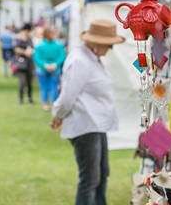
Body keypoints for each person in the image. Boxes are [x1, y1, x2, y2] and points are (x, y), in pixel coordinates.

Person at [50, 19, 125, 205]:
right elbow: (67, 96)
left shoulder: (91, 58)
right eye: (108, 45)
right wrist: (58, 115)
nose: (111, 49)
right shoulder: (79, 61)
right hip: (85, 126)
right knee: (90, 179)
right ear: (96, 42)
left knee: (102, 175)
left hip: (96, 125)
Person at [32, 27, 67, 111]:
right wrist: (56, 64)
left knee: (44, 87)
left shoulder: (40, 45)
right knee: (54, 86)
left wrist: (44, 64)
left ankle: (45, 104)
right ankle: (54, 103)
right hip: (55, 68)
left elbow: (36, 57)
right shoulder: (58, 44)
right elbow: (62, 55)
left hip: (42, 68)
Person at [13, 23, 34, 104]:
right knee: (22, 82)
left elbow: (32, 48)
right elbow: (15, 49)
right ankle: (21, 98)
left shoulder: (29, 40)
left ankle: (29, 97)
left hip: (28, 63)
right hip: (20, 63)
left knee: (29, 82)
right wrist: (24, 52)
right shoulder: (18, 39)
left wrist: (29, 52)